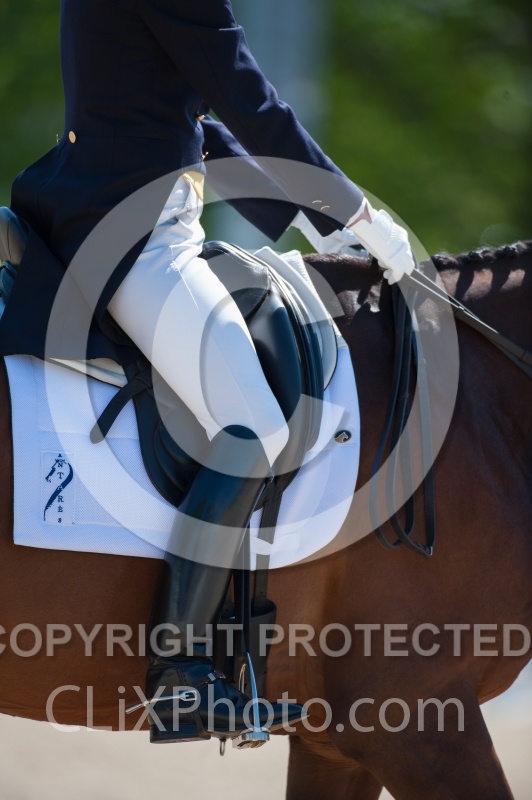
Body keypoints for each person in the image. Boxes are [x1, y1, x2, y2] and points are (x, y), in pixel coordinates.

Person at [0, 0, 414, 743]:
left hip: (111, 203)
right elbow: (241, 87)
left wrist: (298, 211)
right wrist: (354, 213)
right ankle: (181, 672)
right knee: (255, 428)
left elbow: (170, 110)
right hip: (135, 234)